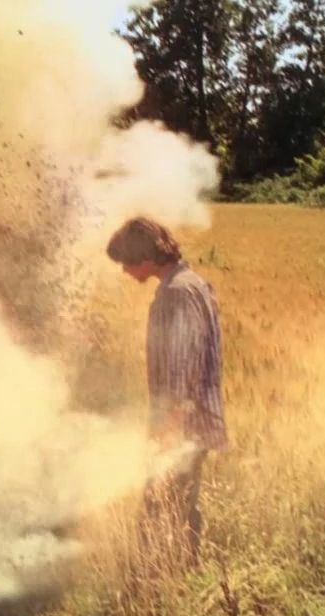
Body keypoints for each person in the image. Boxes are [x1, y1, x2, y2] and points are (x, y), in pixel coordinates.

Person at [106, 216, 227, 569]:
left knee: (157, 514)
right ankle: (186, 577)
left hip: (181, 428)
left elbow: (180, 369)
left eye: (125, 263)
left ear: (143, 257)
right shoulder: (195, 284)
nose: (125, 272)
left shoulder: (175, 294)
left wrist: (166, 435)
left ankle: (156, 590)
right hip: (196, 424)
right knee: (182, 507)